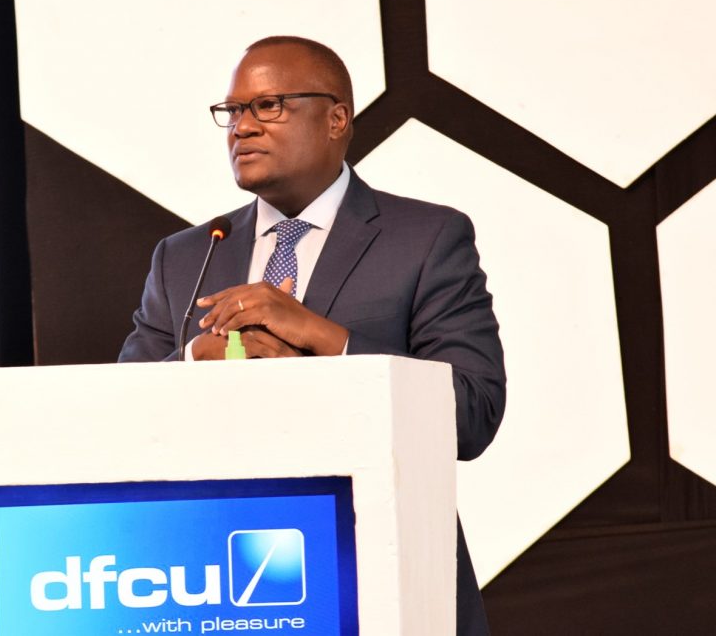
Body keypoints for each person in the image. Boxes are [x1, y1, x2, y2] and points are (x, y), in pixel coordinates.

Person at [118, 36, 505, 635]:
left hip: (378, 581)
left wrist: (322, 337)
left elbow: (473, 414)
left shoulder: (426, 239)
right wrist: (196, 357)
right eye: (232, 111)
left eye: (267, 105)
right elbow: (115, 419)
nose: (242, 127)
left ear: (336, 118)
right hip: (213, 586)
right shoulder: (186, 255)